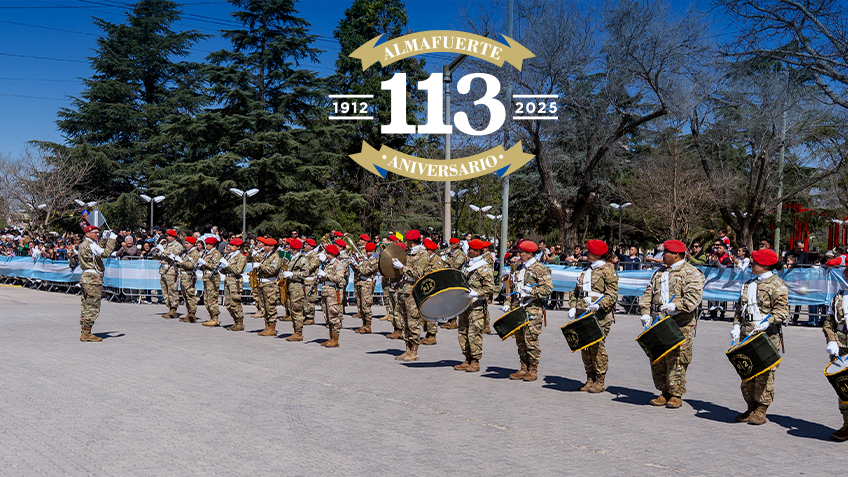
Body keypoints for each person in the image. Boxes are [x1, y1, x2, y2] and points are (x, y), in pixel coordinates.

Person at [638, 239, 706, 408]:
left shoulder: (691, 272)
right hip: (658, 321)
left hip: (680, 323)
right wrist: (645, 313)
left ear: (676, 255)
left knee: (677, 359)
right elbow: (648, 294)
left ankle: (676, 394)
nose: (663, 256)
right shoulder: (659, 273)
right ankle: (664, 391)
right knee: (658, 357)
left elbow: (694, 297)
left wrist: (677, 305)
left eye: (666, 253)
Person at [730, 248, 788, 425]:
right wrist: (736, 325)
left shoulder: (778, 285)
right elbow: (740, 308)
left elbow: (782, 311)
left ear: (765, 265)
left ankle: (761, 410)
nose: (752, 264)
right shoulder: (749, 284)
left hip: (766, 336)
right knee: (747, 371)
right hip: (747, 334)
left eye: (754, 262)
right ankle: (750, 407)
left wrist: (768, 321)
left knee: (764, 375)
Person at [568, 240, 619, 393]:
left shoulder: (608, 271)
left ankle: (600, 379)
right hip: (583, 314)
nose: (586, 254)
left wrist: (600, 305)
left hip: (600, 316)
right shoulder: (586, 271)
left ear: (597, 254)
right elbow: (576, 291)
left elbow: (612, 294)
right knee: (585, 348)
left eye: (589, 252)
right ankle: (590, 377)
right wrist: (572, 305)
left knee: (597, 347)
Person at [507, 240, 554, 382]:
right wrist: (508, 304)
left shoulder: (540, 268)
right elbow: (513, 288)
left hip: (532, 309)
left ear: (529, 254)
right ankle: (523, 367)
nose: (519, 254)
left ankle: (533, 369)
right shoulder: (519, 268)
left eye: (521, 252)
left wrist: (531, 291)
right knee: (520, 340)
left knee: (530, 340)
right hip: (518, 308)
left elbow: (547, 289)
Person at [454, 239, 497, 373]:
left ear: (477, 251)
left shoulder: (484, 267)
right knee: (462, 331)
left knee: (474, 333)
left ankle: (475, 361)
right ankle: (467, 358)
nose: (468, 251)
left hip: (477, 305)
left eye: (471, 249)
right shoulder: (467, 264)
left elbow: (490, 288)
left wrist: (476, 293)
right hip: (464, 304)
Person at [391, 230, 429, 361]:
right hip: (404, 290)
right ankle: (407, 349)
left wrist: (402, 266)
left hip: (413, 291)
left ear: (412, 241)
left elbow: (418, 274)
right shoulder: (409, 253)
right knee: (404, 321)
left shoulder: (422, 254)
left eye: (407, 241)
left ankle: (414, 351)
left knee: (413, 322)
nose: (406, 243)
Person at [77, 225, 119, 341]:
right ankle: (86, 333)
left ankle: (85, 329)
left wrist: (104, 239)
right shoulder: (90, 245)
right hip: (93, 278)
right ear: (87, 233)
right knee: (93, 305)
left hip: (86, 277)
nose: (97, 234)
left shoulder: (86, 244)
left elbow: (97, 250)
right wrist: (112, 240)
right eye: (94, 232)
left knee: (86, 304)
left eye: (98, 232)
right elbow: (105, 253)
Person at [824, 265, 848, 441]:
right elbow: (828, 323)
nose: (845, 273)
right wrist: (831, 339)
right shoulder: (839, 297)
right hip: (842, 348)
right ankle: (847, 425)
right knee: (844, 389)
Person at [280, 238, 319, 341]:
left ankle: (298, 333)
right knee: (293, 310)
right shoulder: (292, 258)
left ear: (295, 249)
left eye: (291, 248)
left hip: (297, 287)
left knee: (297, 310)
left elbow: (306, 273)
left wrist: (293, 274)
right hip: (290, 286)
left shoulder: (302, 259)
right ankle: (295, 331)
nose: (290, 249)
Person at [254, 237, 285, 337]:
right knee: (264, 306)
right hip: (263, 284)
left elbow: (273, 270)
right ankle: (267, 326)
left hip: (270, 284)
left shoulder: (277, 256)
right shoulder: (266, 255)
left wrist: (260, 266)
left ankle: (272, 328)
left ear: (272, 247)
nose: (264, 246)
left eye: (266, 245)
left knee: (270, 306)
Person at [317, 243, 346, 347]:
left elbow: (339, 279)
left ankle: (335, 339)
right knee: (327, 315)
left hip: (333, 291)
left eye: (328, 253)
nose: (326, 255)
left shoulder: (338, 264)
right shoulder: (327, 264)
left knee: (334, 314)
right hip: (326, 291)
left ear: (333, 254)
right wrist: (320, 278)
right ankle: (330, 337)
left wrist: (326, 275)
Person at [215, 237, 247, 330]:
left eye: (233, 245)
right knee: (228, 304)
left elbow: (238, 270)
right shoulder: (229, 255)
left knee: (235, 302)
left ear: (238, 247)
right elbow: (226, 270)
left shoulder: (241, 257)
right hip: (228, 279)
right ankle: (235, 321)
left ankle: (239, 322)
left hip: (235, 281)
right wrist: (221, 269)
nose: (230, 247)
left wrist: (227, 265)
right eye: (230, 245)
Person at [155, 229, 185, 319]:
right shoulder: (166, 245)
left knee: (172, 290)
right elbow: (161, 255)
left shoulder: (178, 245)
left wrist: (163, 251)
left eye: (169, 236)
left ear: (173, 237)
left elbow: (173, 255)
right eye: (167, 236)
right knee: (165, 291)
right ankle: (169, 307)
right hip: (163, 270)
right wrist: (156, 251)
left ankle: (173, 309)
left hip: (171, 270)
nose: (167, 237)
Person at [350, 242, 379, 334]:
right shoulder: (367, 260)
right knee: (361, 305)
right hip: (361, 282)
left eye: (369, 251)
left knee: (366, 305)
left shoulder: (374, 260)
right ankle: (363, 324)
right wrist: (353, 263)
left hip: (367, 283)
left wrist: (356, 264)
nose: (367, 253)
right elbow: (357, 271)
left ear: (374, 251)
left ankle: (368, 326)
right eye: (366, 251)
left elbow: (364, 271)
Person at [441, 238, 467, 330]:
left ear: (456, 245)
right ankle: (450, 320)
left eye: (452, 244)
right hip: (449, 278)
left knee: (454, 300)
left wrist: (446, 261)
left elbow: (456, 265)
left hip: (456, 279)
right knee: (448, 300)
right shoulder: (450, 254)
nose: (450, 246)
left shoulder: (461, 254)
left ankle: (454, 321)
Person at [175, 236, 201, 323]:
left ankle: (192, 314)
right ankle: (189, 313)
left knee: (190, 295)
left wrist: (182, 261)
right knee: (185, 296)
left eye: (187, 243)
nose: (185, 245)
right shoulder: (187, 252)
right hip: (183, 276)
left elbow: (191, 265)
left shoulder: (194, 253)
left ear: (192, 244)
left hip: (189, 276)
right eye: (185, 243)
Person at [198, 237, 223, 326]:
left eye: (208, 244)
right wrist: (199, 266)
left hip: (212, 278)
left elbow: (214, 267)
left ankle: (215, 318)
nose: (206, 246)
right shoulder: (206, 253)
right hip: (206, 277)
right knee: (206, 299)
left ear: (212, 245)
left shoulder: (216, 254)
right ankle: (211, 317)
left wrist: (204, 263)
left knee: (212, 299)